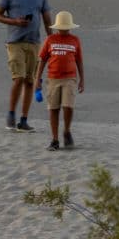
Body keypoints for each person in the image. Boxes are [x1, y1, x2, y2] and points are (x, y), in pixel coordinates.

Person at [0, 0, 52, 132]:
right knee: (18, 78)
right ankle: (11, 114)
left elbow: (46, 16)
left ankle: (24, 120)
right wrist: (15, 21)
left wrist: (52, 39)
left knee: (29, 81)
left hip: (34, 42)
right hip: (15, 41)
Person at [35, 11, 85, 151]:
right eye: (61, 27)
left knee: (68, 106)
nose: (63, 29)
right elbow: (43, 59)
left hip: (70, 78)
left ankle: (67, 130)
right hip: (53, 79)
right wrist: (37, 78)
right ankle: (55, 139)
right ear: (57, 27)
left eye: (66, 27)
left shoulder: (75, 40)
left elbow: (79, 60)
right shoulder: (50, 40)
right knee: (53, 108)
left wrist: (82, 79)